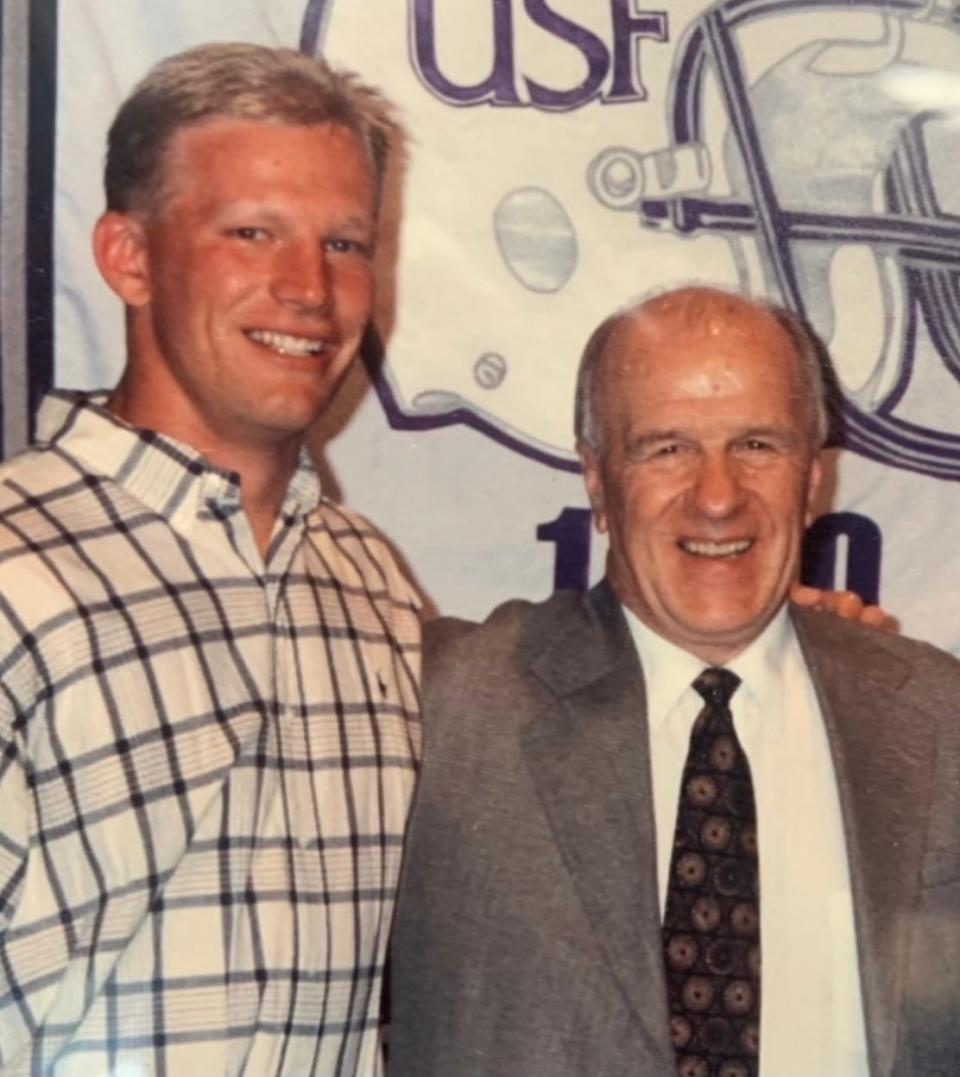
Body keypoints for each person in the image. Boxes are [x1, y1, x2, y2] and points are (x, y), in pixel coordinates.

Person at [387, 286, 960, 1077]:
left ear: (814, 479)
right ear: (596, 479)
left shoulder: (938, 718)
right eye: (666, 448)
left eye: (759, 444)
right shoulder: (445, 704)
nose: (718, 496)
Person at [0, 44, 420, 1077]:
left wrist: (786, 650)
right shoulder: (13, 578)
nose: (310, 290)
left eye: (346, 243)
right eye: (251, 233)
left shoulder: (374, 588)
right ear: (129, 257)